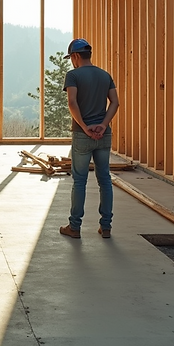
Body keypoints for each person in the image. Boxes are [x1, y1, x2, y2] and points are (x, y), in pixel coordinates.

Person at [58, 38, 120, 239]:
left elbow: (72, 102)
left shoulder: (73, 75)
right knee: (105, 180)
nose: (71, 62)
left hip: (82, 135)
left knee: (80, 182)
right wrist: (103, 124)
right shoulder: (105, 75)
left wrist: (84, 127)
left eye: (71, 58)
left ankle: (74, 227)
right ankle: (106, 226)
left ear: (75, 56)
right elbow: (115, 103)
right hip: (103, 135)